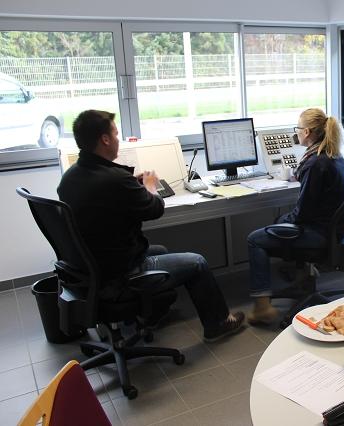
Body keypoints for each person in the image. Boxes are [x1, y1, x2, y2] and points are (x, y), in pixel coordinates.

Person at [57, 109, 244, 342]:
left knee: (160, 250)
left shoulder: (70, 177)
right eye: (115, 134)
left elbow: (104, 205)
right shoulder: (115, 179)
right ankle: (218, 323)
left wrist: (132, 187)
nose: (117, 139)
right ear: (104, 139)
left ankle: (151, 315)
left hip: (90, 269)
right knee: (197, 263)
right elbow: (155, 209)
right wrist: (150, 187)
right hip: (120, 274)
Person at [247, 108, 344, 324]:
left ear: (306, 132)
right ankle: (303, 283)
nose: (296, 133)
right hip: (335, 231)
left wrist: (280, 222)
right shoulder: (334, 155)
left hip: (319, 233)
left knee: (255, 239)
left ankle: (262, 307)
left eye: (297, 129)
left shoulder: (315, 163)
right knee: (280, 224)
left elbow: (302, 213)